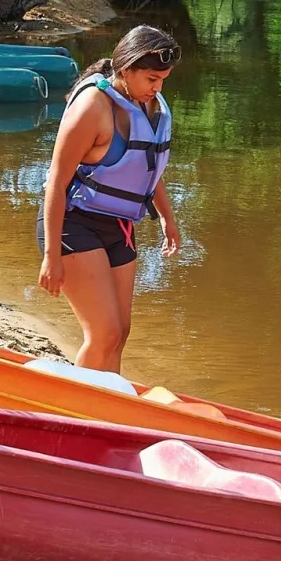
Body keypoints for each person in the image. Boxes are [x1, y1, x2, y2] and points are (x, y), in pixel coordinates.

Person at [38, 26, 182, 372]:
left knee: (121, 333)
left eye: (163, 79)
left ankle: (106, 411)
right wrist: (51, 256)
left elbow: (148, 167)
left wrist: (167, 218)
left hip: (120, 226)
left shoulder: (150, 106)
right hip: (74, 222)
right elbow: (56, 183)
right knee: (104, 333)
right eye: (151, 78)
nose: (158, 88)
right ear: (125, 69)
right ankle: (74, 408)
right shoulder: (93, 107)